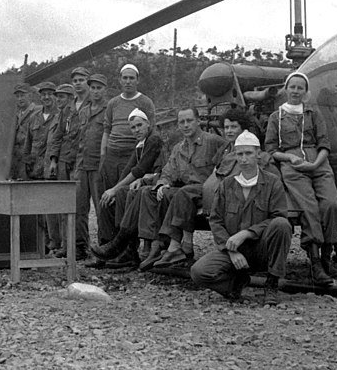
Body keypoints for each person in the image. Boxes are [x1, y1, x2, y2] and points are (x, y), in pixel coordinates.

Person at [154, 107, 272, 268]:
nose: (229, 131)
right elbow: (215, 171)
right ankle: (170, 246)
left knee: (185, 193)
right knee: (174, 193)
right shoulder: (226, 149)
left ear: (243, 128)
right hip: (210, 193)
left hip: (228, 197)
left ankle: (181, 246)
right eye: (226, 127)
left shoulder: (247, 151)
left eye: (234, 127)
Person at [191, 131, 292, 306]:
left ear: (258, 155)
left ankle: (272, 283)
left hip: (262, 249)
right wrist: (231, 251)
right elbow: (216, 221)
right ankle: (235, 283)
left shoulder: (273, 182)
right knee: (199, 272)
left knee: (282, 224)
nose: (244, 159)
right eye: (240, 154)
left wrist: (246, 233)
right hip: (234, 250)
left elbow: (279, 216)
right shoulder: (226, 185)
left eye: (249, 153)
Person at [265, 71, 337, 289]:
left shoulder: (314, 113)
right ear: (286, 90)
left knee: (330, 205)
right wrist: (289, 157)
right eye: (292, 87)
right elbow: (270, 150)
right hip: (293, 166)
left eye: (300, 88)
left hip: (319, 163)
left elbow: (325, 144)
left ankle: (328, 257)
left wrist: (316, 164)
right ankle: (315, 263)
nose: (296, 91)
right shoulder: (275, 117)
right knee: (309, 207)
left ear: (306, 92)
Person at [137, 106, 225, 271]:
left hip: (206, 191)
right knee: (154, 193)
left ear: (198, 121)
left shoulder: (214, 142)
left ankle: (178, 247)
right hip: (186, 194)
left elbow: (229, 160)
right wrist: (163, 183)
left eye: (189, 121)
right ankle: (156, 245)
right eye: (182, 122)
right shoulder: (179, 148)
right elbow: (169, 171)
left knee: (182, 193)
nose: (185, 125)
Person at [89, 108, 163, 268]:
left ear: (148, 124)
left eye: (139, 125)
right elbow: (128, 168)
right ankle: (110, 246)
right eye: (133, 127)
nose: (136, 130)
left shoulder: (154, 140)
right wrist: (112, 190)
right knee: (109, 198)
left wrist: (116, 189)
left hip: (158, 182)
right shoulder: (140, 144)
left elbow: (140, 169)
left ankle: (125, 249)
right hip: (144, 183)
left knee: (123, 192)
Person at [99, 64, 156, 196]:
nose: (128, 81)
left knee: (124, 194)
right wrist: (103, 156)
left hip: (131, 155)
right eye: (125, 78)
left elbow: (151, 130)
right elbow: (106, 130)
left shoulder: (145, 102)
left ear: (138, 80)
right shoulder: (113, 103)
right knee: (108, 194)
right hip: (112, 155)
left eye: (131, 78)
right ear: (120, 80)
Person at [26, 81, 64, 253]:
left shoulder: (60, 116)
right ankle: (42, 241)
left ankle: (55, 241)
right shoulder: (34, 117)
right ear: (40, 96)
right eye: (44, 94)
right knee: (36, 207)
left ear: (54, 97)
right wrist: (27, 165)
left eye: (50, 94)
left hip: (51, 167)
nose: (47, 97)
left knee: (52, 206)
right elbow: (27, 144)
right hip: (35, 168)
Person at [73, 73, 107, 258]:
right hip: (81, 165)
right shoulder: (83, 111)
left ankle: (104, 247)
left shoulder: (108, 109)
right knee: (79, 208)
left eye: (99, 88)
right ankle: (80, 246)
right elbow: (76, 138)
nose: (95, 91)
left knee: (101, 209)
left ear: (104, 90)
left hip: (98, 166)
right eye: (92, 88)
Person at [45, 83, 81, 257]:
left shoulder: (78, 114)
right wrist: (53, 160)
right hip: (62, 163)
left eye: (62, 97)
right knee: (62, 204)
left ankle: (76, 245)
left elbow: (77, 139)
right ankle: (65, 245)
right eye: (57, 96)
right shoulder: (62, 115)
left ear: (70, 98)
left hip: (75, 163)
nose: (58, 99)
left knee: (74, 205)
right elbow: (57, 138)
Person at [11, 83, 40, 180]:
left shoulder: (38, 111)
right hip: (16, 159)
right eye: (17, 96)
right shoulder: (15, 115)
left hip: (30, 159)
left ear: (30, 96)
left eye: (22, 95)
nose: (20, 99)